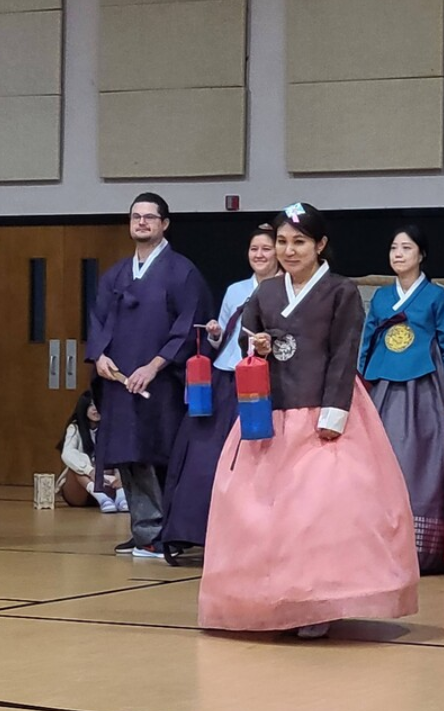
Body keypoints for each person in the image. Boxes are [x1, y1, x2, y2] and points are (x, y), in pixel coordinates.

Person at [198, 203, 419, 638]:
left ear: (320, 245)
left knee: (319, 512)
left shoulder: (340, 292)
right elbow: (248, 332)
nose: (289, 250)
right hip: (272, 412)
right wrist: (256, 345)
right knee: (259, 511)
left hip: (322, 409)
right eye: (282, 242)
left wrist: (333, 413)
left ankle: (318, 604)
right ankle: (266, 600)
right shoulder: (265, 293)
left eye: (299, 242)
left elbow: (343, 353)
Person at [86, 193, 212, 558]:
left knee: (159, 454)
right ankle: (143, 530)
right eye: (135, 217)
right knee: (128, 455)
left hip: (162, 383)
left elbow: (189, 327)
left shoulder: (182, 272)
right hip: (120, 381)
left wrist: (155, 365)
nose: (141, 223)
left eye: (149, 217)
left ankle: (163, 532)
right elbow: (97, 319)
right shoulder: (116, 274)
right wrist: (99, 356)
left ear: (164, 224)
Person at [159, 225, 281, 562]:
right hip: (226, 379)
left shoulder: (286, 291)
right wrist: (214, 333)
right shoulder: (235, 290)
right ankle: (191, 533)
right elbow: (222, 342)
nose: (259, 255)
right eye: (254, 248)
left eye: (266, 249)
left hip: (262, 384)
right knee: (204, 459)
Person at [359, 225, 444, 574]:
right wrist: (359, 383)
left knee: (422, 458)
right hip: (384, 386)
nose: (398, 254)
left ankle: (421, 548)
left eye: (406, 247)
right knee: (380, 458)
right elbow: (366, 341)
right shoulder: (382, 298)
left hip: (424, 389)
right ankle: (376, 543)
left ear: (421, 254)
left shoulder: (436, 297)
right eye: (393, 247)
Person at [56, 391, 128, 513]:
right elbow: (67, 454)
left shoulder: (113, 427)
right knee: (77, 465)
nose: (95, 409)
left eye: (98, 405)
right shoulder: (75, 428)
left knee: (121, 461)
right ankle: (102, 499)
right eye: (91, 405)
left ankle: (121, 497)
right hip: (81, 490)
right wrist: (90, 471)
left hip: (109, 484)